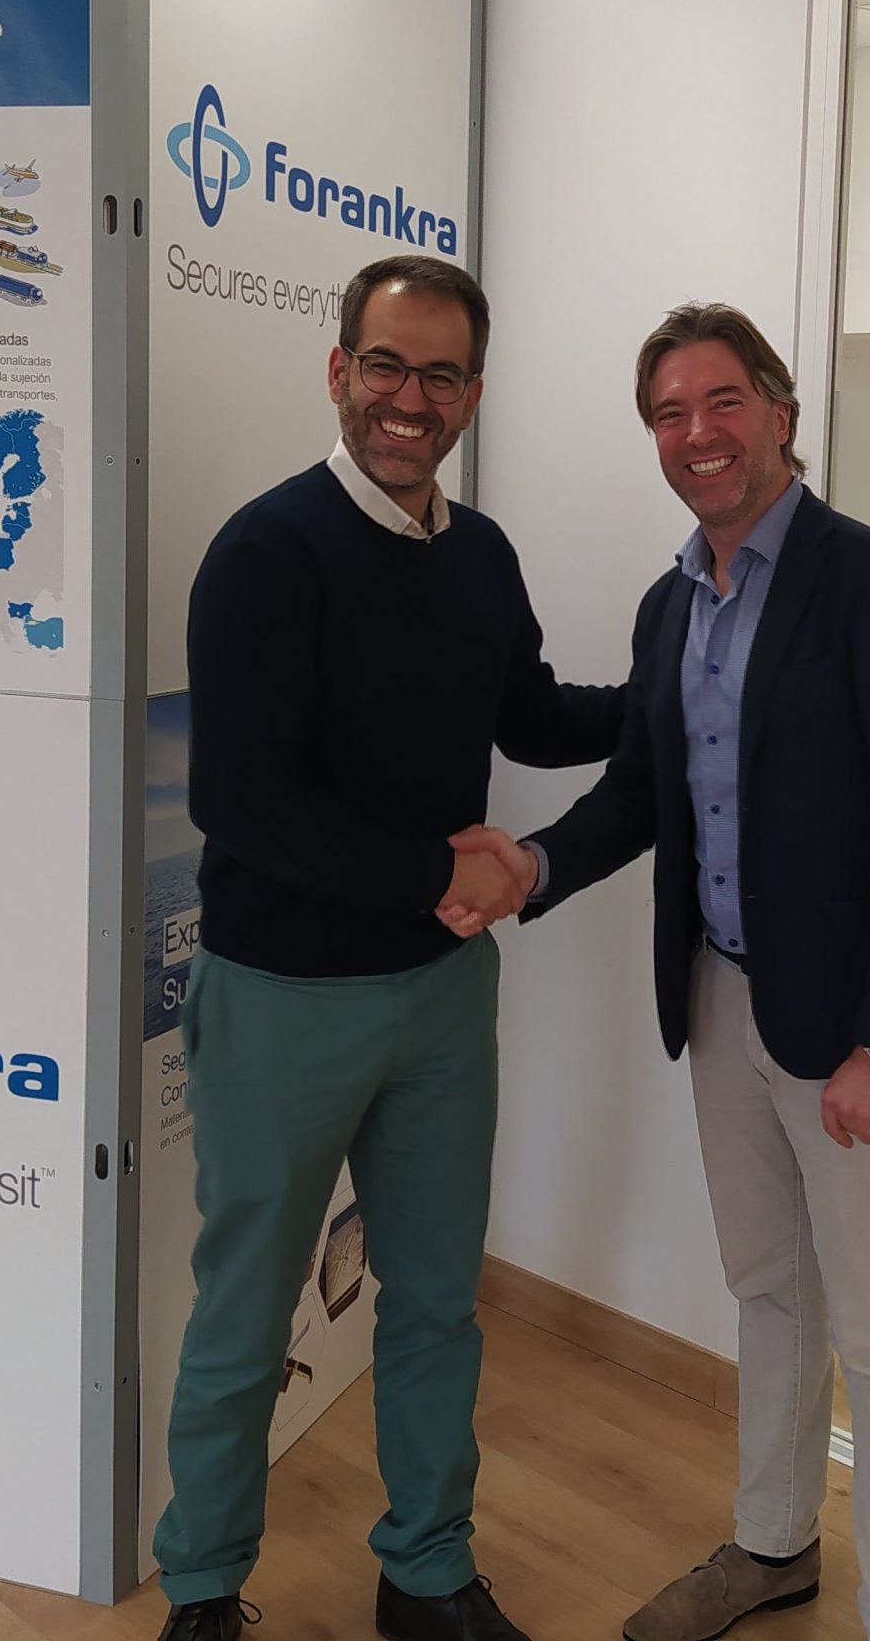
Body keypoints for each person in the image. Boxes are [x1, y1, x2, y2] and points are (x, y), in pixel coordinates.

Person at [444, 303, 870, 1641]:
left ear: (781, 414)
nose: (699, 433)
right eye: (670, 414)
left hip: (852, 1026)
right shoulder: (670, 605)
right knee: (770, 1294)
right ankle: (773, 1545)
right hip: (722, 997)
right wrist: (534, 867)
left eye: (723, 401)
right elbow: (643, 792)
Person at [155, 254, 622, 1641]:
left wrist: (686, 685)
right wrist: (438, 873)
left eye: (441, 375)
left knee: (434, 1304)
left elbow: (531, 713)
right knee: (246, 1316)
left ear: (473, 392)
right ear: (338, 370)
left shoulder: (480, 554)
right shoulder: (265, 552)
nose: (409, 399)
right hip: (283, 999)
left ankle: (426, 1569)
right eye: (385, 365)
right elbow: (240, 802)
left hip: (439, 997)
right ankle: (203, 1592)